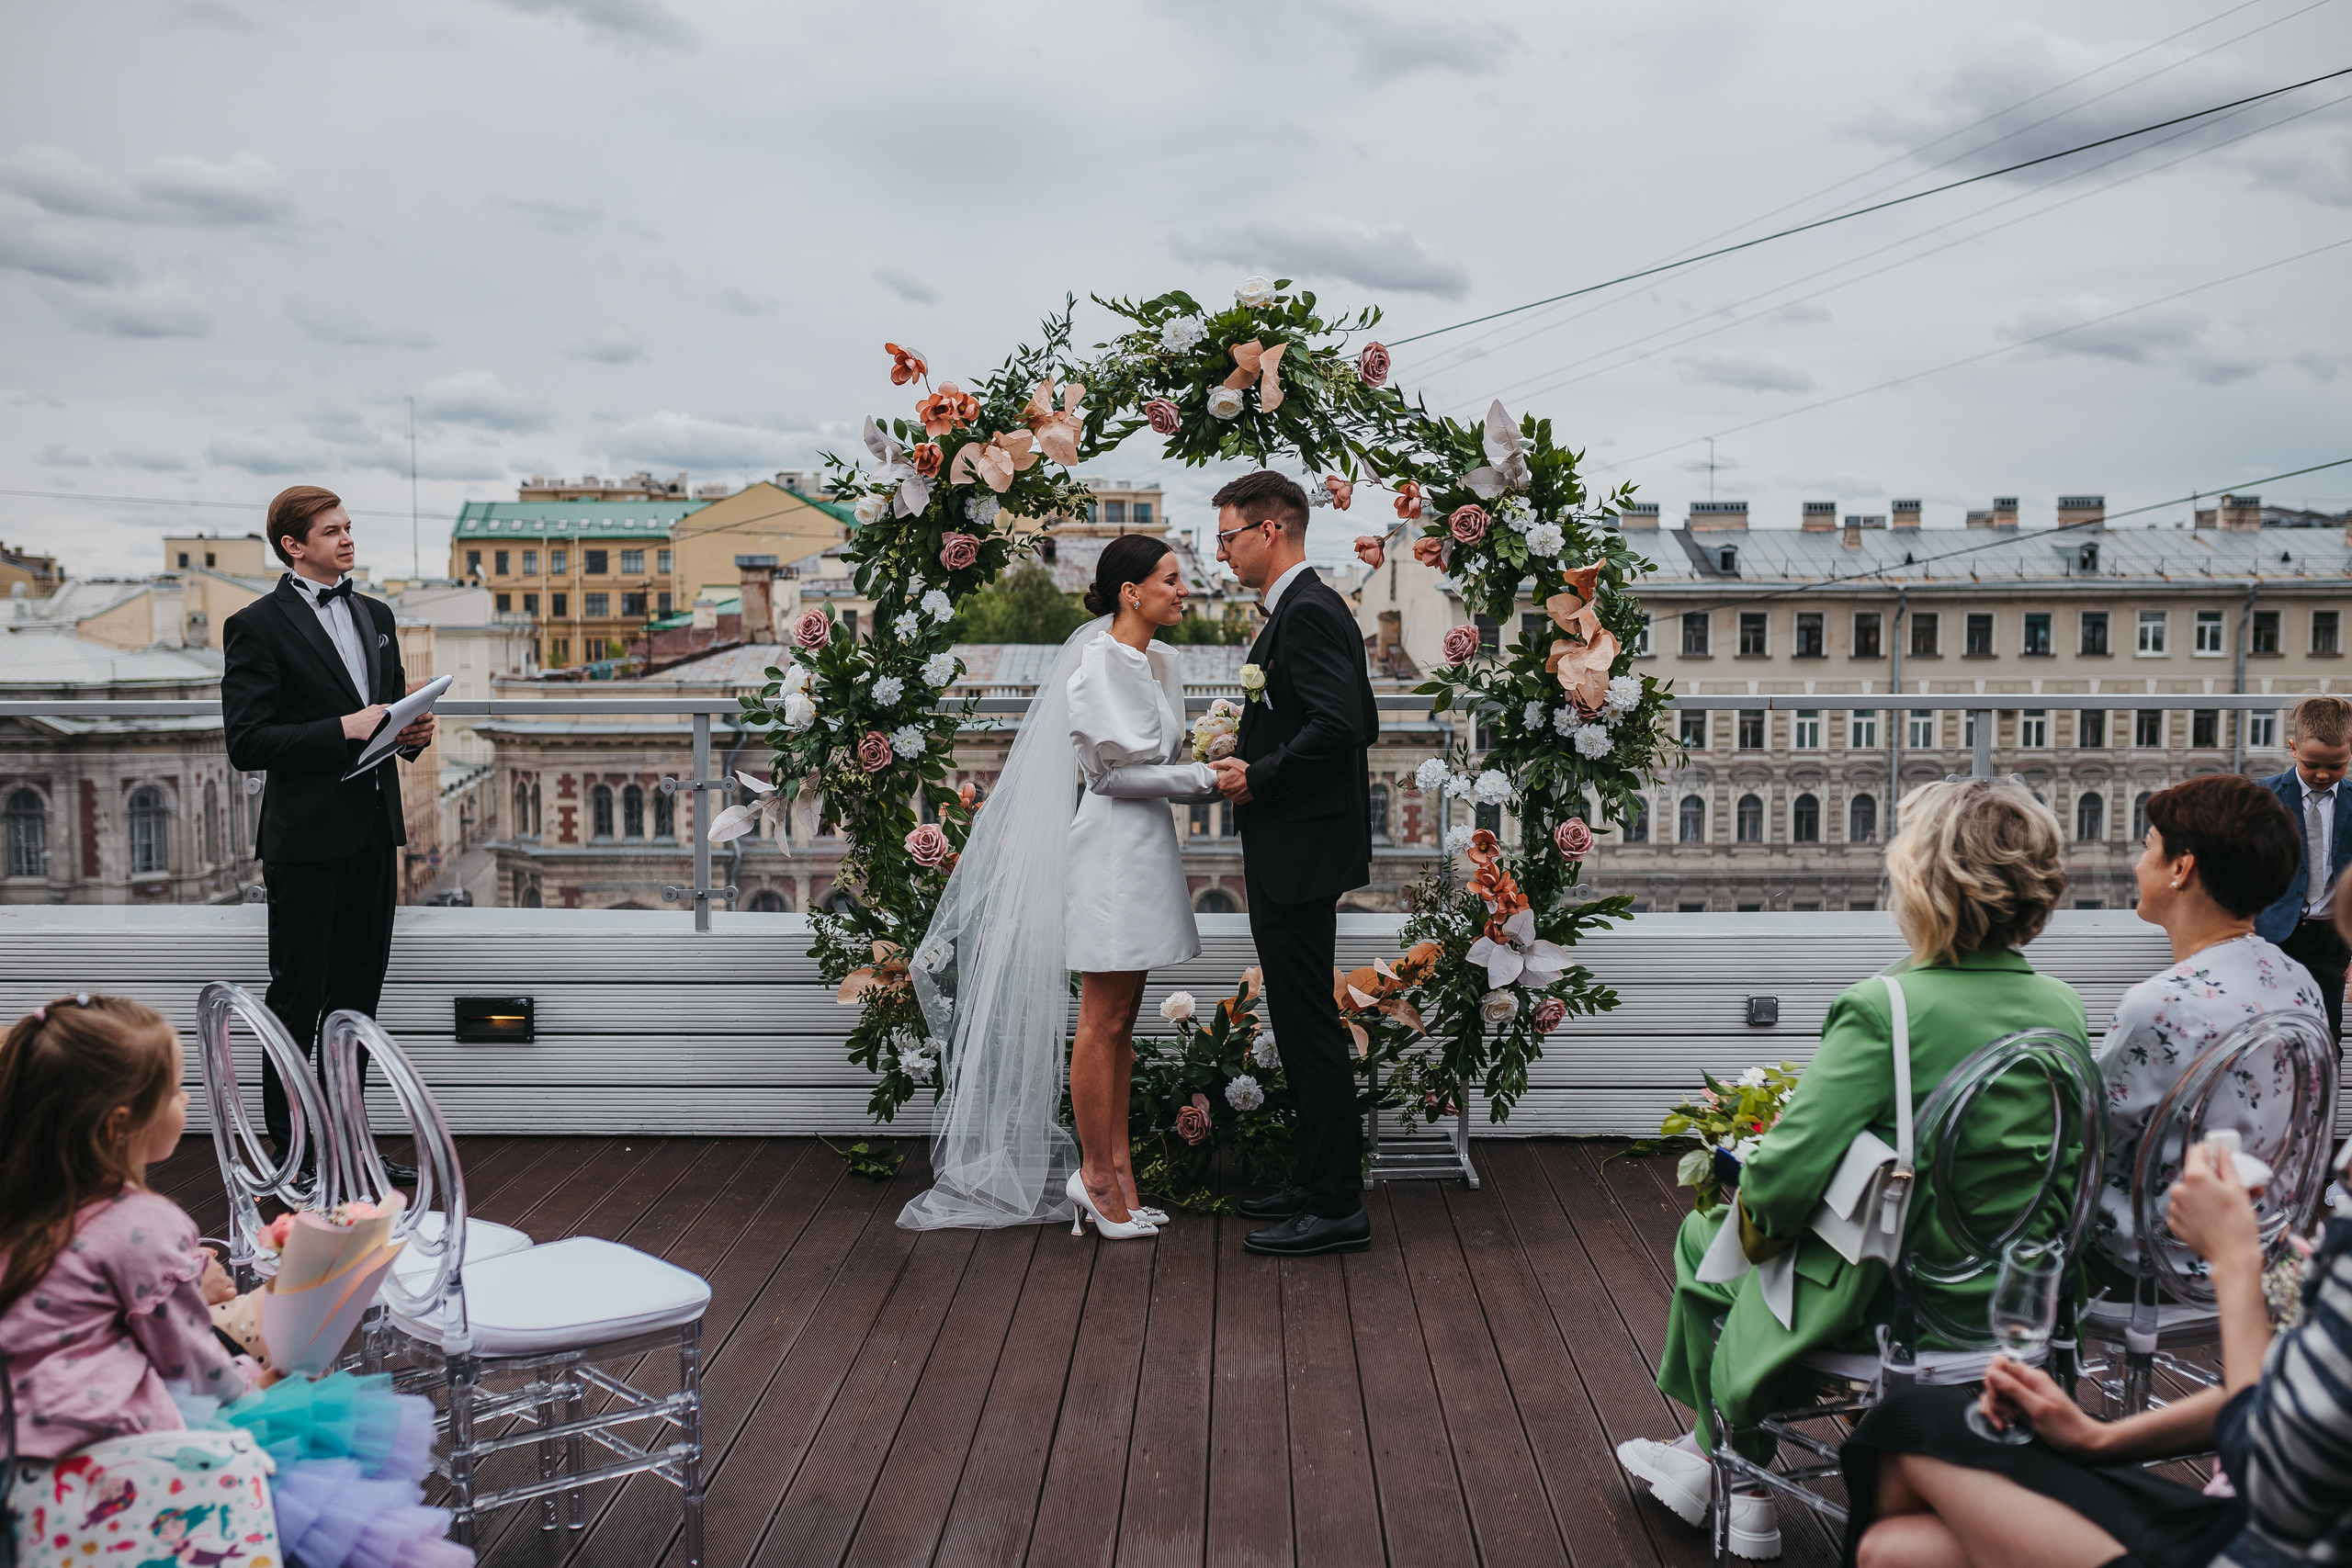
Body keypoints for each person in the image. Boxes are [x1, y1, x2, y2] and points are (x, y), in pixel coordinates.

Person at [1617, 778, 2087, 1561]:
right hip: (2018, 1300)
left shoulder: (1884, 1008)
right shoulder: (2064, 1008)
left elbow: (1783, 1182)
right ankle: (1709, 1455)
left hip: (1895, 1309)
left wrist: (1750, 1194)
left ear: (1923, 884)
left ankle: (1739, 1475)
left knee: (1709, 1238)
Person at [1842, 1129, 2352, 1568]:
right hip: (2249, 1521)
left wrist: (2235, 1260)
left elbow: (2278, 1484)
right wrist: (2095, 1439)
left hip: (2270, 1542)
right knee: (1894, 1550)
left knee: (1910, 1419)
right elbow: (2297, 1401)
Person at [899, 537, 1218, 1235]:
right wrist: (1208, 778)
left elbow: (1157, 750)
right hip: (1109, 848)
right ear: (1130, 591)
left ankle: (1122, 1176)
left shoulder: (1159, 661)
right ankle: (1096, 1179)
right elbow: (1109, 775)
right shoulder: (1096, 662)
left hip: (1147, 846)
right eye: (1170, 579)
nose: (1182, 589)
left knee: (1124, 1024)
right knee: (1100, 1022)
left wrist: (1206, 756)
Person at [0, 994, 277, 1559]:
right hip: (107, 1459)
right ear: (120, 1123)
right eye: (175, 1089)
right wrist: (254, 1382)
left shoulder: (20, 1203)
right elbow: (189, 1365)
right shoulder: (144, 1223)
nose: (188, 1098)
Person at [221, 486, 432, 1181]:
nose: (347, 539)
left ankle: (352, 1144)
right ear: (292, 545)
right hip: (304, 841)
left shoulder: (376, 613)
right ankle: (292, 1152)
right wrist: (341, 728)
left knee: (357, 1000)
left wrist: (412, 734)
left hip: (373, 832)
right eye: (331, 531)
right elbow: (249, 740)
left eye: (349, 527)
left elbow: (386, 711)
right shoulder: (256, 625)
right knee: (298, 996)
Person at [1204, 471, 1381, 1259]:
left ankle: (1338, 1203)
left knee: (1308, 1026)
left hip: (1300, 849)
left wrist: (1260, 772)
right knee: (1300, 1016)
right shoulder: (1312, 607)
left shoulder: (1306, 609)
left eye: (1228, 537)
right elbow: (1350, 714)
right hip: (1302, 845)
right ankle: (1316, 1182)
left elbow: (1345, 724)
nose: (1221, 553)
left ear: (1270, 531)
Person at [2092, 773, 2324, 1282]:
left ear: (2181, 867)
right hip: (2260, 1243)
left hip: (2157, 1259)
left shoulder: (2161, 1003)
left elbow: (2091, 1139)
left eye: (2148, 848)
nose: (2137, 864)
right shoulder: (2300, 983)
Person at [2256, 694, 2352, 1044]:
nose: (2324, 774)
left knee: (2326, 1038)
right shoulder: (2261, 798)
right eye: (2312, 764)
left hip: (2332, 940)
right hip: (2270, 936)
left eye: (2337, 765)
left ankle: (2324, 1098)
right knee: (2267, 1034)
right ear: (2293, 748)